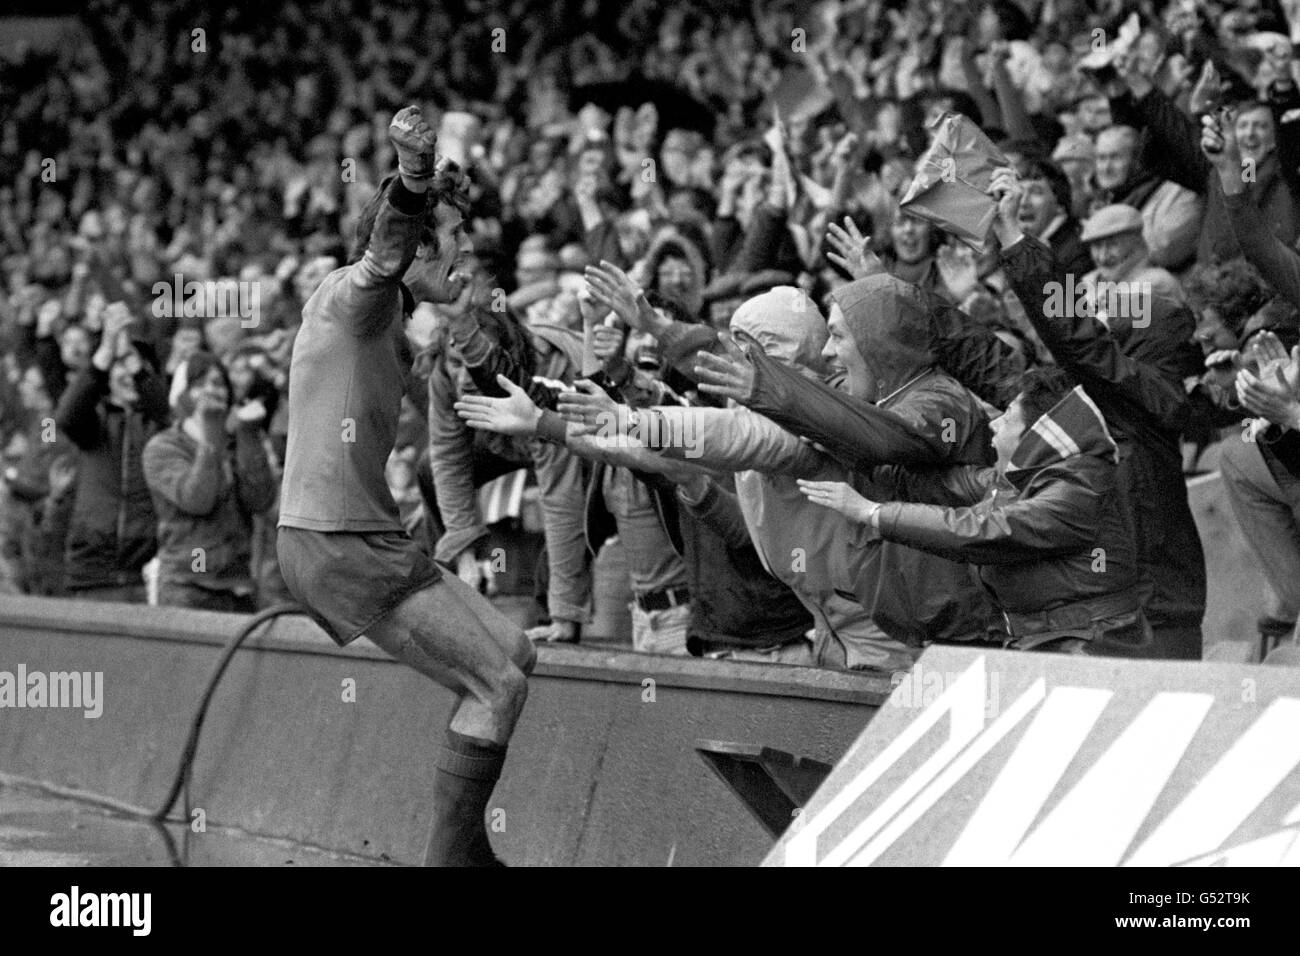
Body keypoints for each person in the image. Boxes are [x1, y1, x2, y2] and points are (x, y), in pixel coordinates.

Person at [275, 108, 534, 867]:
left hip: (366, 536)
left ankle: (461, 852)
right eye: (449, 235)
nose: (462, 248)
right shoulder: (358, 296)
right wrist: (414, 175)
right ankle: (453, 864)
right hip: (336, 542)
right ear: (418, 242)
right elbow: (384, 252)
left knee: (517, 652)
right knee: (497, 689)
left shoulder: (396, 319)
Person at [797, 367, 1152, 655]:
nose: (994, 426)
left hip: (1091, 649)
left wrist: (873, 512)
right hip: (1053, 643)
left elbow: (986, 529)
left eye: (1008, 419)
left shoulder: (1078, 489)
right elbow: (952, 482)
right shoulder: (1028, 480)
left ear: (1036, 436)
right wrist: (857, 453)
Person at [54, 302, 170, 603]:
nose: (129, 373)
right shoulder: (94, 424)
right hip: (93, 572)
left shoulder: (161, 426)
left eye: (136, 365)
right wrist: (105, 350)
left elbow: (170, 413)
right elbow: (66, 416)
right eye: (120, 366)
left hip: (149, 572)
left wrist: (132, 361)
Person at [142, 352, 275, 611]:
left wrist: (248, 435)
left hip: (238, 586)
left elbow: (260, 501)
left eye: (218, 383)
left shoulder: (234, 441)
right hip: (187, 586)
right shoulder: (162, 448)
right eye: (200, 384)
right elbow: (197, 500)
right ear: (181, 396)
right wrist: (211, 437)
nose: (211, 391)